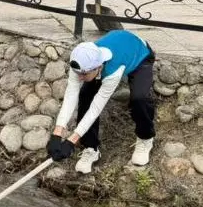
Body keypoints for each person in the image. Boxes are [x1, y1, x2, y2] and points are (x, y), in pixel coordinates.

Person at [47, 30, 156, 174]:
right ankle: (91, 148)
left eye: (84, 74)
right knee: (85, 95)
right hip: (111, 53)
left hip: (140, 56)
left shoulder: (113, 71)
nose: (79, 78)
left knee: (139, 98)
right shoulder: (81, 62)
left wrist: (71, 140)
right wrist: (57, 133)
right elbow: (70, 96)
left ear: (98, 67)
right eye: (78, 74)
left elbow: (96, 108)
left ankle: (145, 138)